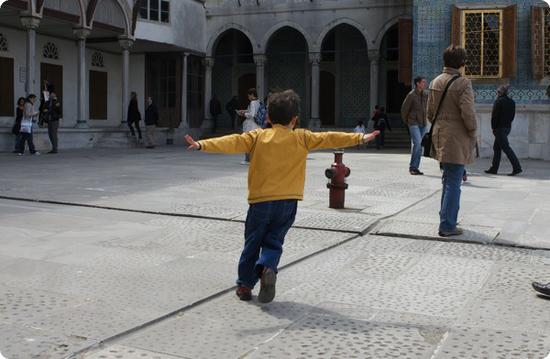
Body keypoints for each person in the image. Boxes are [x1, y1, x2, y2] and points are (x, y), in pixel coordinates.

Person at [184, 89, 379, 303]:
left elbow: (231, 142)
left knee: (252, 243)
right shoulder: (302, 137)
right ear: (295, 119)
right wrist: (360, 137)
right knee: (274, 240)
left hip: (260, 202)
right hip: (288, 202)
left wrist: (202, 144)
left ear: (267, 118)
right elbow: (329, 137)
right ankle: (268, 265)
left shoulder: (257, 137)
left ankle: (245, 286)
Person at [426, 45, 477, 237]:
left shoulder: (435, 81)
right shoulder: (463, 83)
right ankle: (447, 225)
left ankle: (445, 218)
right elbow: (468, 113)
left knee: (447, 179)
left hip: (440, 135)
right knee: (454, 181)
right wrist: (472, 131)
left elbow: (430, 113)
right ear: (462, 63)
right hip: (456, 137)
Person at [485, 85, 522, 176]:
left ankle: (517, 168)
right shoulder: (512, 102)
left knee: (506, 148)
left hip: (499, 128)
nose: (497, 94)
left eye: (498, 92)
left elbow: (494, 116)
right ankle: (494, 168)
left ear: (500, 93)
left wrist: (493, 128)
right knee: (497, 148)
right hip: (507, 127)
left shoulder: (498, 101)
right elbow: (512, 116)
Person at [401, 76, 428, 175]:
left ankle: (416, 167)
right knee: (417, 144)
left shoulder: (425, 95)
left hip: (423, 123)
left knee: (419, 146)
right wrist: (407, 122)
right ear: (418, 83)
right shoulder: (411, 95)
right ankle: (412, 167)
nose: (425, 84)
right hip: (413, 123)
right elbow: (404, 109)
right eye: (423, 82)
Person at [236, 88, 261, 165]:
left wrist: (243, 114)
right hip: (256, 125)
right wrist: (243, 111)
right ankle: (253, 159)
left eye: (249, 95)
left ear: (252, 95)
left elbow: (252, 115)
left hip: (251, 125)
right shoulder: (258, 102)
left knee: (247, 141)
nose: (248, 97)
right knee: (254, 143)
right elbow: (251, 111)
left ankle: (247, 160)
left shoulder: (253, 103)